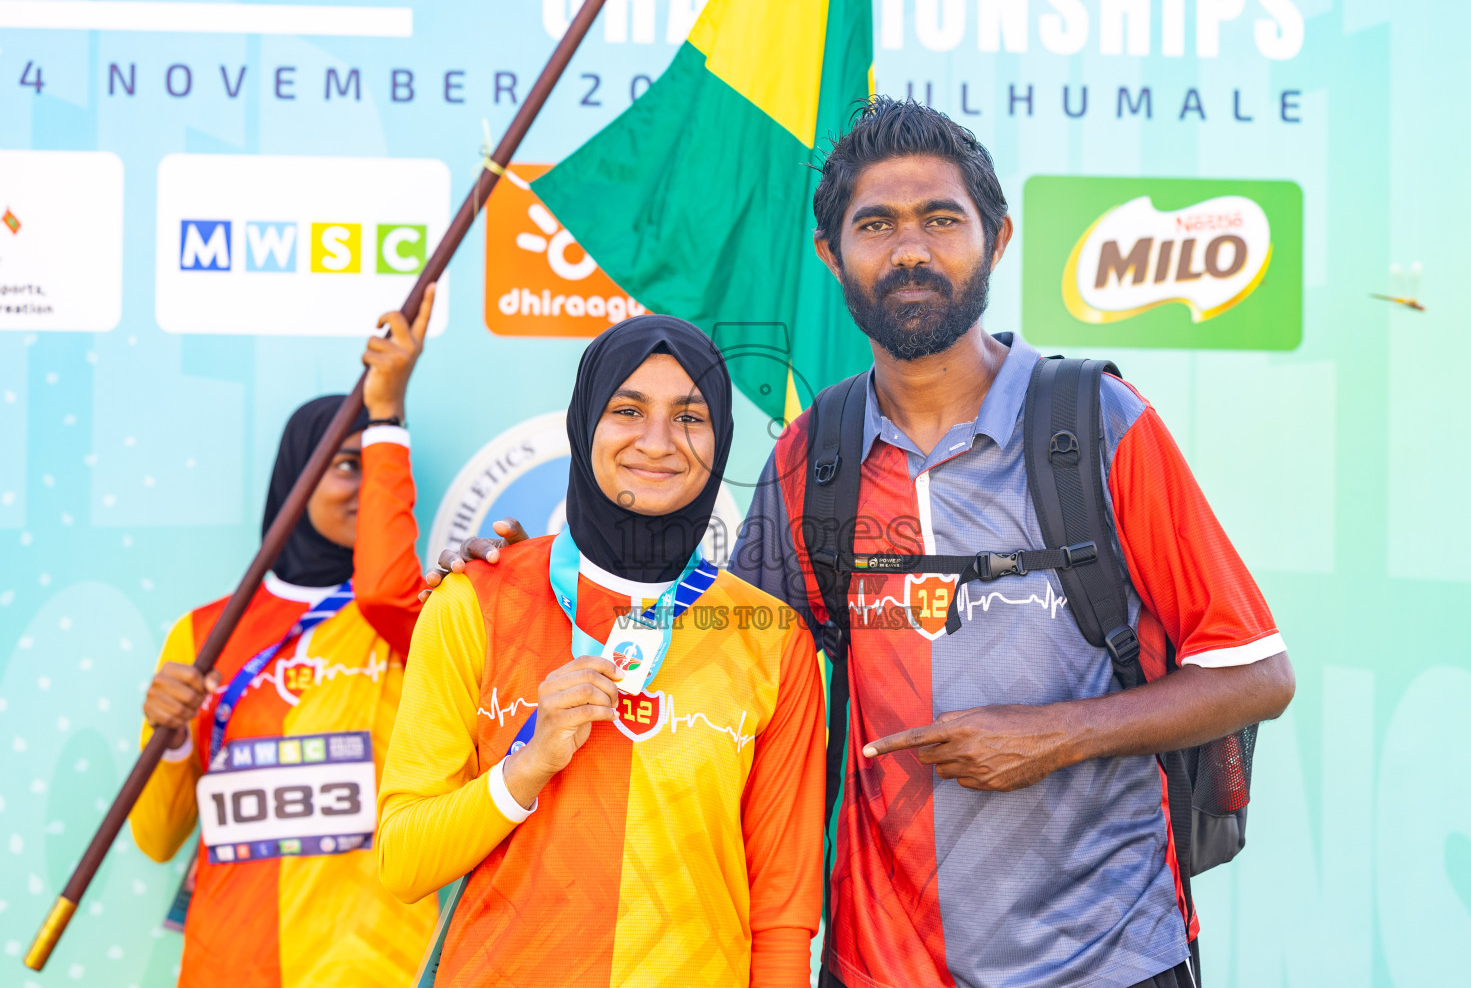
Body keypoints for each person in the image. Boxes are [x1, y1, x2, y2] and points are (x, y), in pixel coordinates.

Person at [434, 98, 1296, 988]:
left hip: (1110, 958)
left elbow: (1259, 674)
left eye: (941, 220)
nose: (911, 250)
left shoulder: (1096, 424)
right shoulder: (817, 453)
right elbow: (709, 646)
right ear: (831, 257)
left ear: (996, 240)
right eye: (876, 224)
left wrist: (1054, 735)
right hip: (881, 966)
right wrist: (529, 575)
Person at [375, 315, 824, 988]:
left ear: (722, 437)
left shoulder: (770, 637)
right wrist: (524, 768)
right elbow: (402, 861)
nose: (657, 441)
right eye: (627, 409)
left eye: (690, 417)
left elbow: (782, 909)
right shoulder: (474, 602)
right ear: (585, 423)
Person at [129, 288, 439, 988]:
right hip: (228, 964)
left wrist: (390, 416)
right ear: (294, 480)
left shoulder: (407, 620)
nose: (366, 485)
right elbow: (156, 839)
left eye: (378, 463)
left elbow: (388, 584)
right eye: (344, 465)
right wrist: (170, 738)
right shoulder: (205, 630)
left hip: (375, 967)